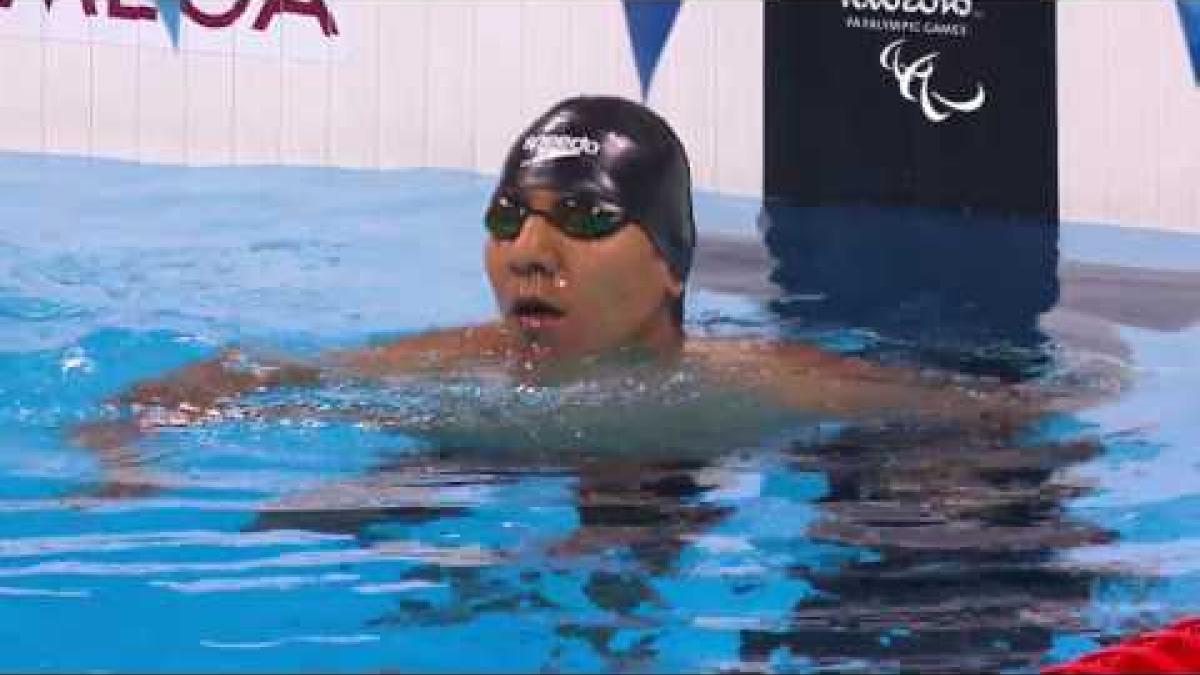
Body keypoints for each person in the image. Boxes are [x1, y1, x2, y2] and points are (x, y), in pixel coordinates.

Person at [72, 95, 1076, 492]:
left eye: (585, 220)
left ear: (672, 264)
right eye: (509, 217)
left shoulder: (769, 385)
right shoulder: (455, 366)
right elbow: (238, 374)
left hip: (670, 479)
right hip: (486, 465)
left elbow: (1012, 419)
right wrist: (125, 450)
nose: (530, 253)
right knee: (303, 525)